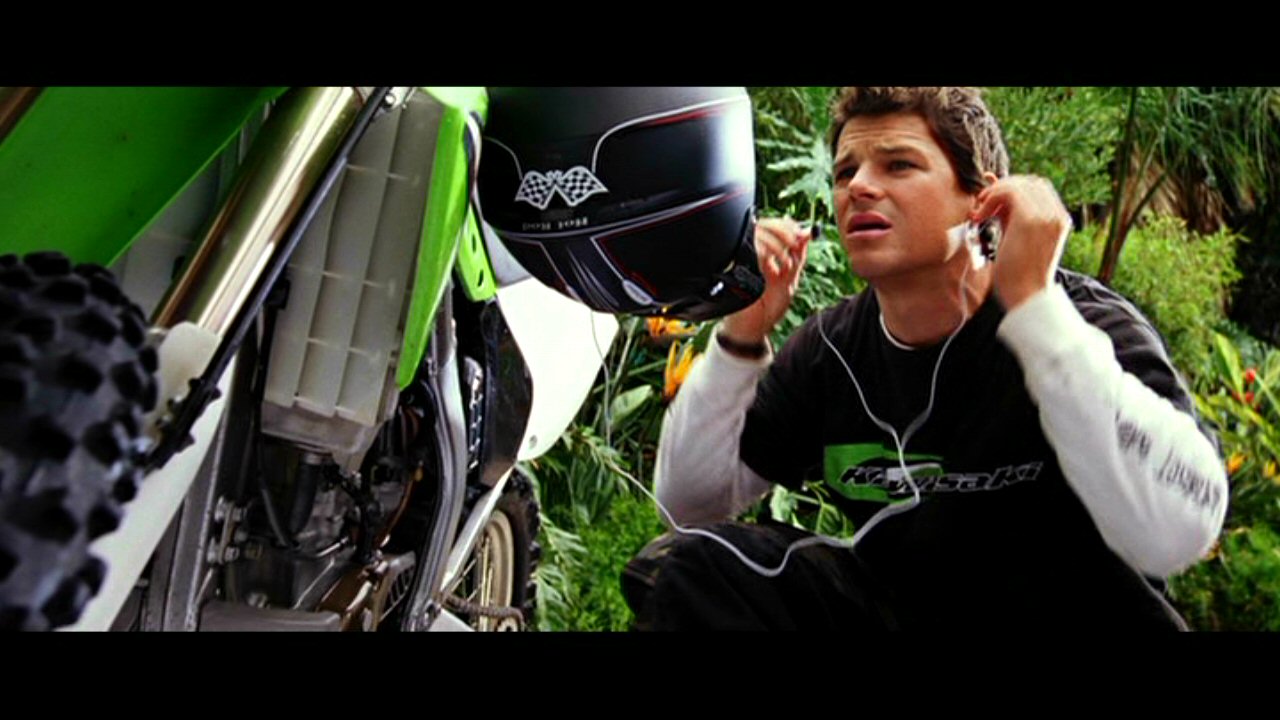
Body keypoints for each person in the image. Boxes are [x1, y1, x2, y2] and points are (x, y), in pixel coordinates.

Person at [621, 87, 1228, 631]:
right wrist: (741, 335)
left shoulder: (1083, 325)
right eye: (846, 171)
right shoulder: (832, 351)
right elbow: (687, 509)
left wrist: (1036, 310)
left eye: (899, 164)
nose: (859, 187)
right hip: (906, 610)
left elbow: (1181, 533)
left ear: (984, 200)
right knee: (692, 568)